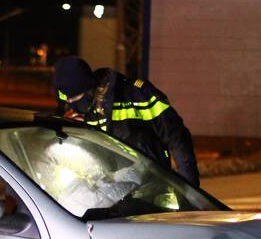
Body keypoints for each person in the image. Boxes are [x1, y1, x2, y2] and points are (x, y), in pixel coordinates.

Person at [53, 56, 199, 186]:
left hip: (153, 186)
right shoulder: (82, 111)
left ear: (87, 89)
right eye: (67, 100)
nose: (71, 104)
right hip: (112, 192)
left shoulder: (138, 96)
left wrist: (189, 190)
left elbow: (178, 138)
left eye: (73, 98)